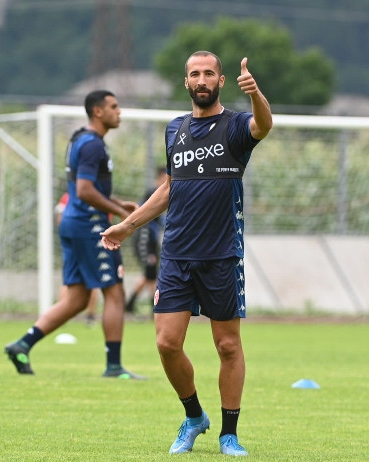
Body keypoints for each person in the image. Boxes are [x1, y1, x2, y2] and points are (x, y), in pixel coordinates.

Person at [101, 51, 272, 456]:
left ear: (221, 81)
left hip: (221, 254)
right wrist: (128, 225)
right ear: (186, 82)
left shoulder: (235, 126)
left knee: (227, 346)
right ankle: (194, 416)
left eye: (209, 73)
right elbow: (170, 187)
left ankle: (229, 434)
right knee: (166, 343)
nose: (201, 80)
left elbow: (263, 125)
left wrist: (256, 94)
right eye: (195, 74)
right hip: (177, 255)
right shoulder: (175, 129)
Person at [5, 90, 145, 379]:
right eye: (114, 107)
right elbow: (84, 191)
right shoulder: (92, 144)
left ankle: (22, 345)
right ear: (97, 111)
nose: (119, 112)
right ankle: (114, 366)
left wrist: (118, 204)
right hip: (90, 226)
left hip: (73, 223)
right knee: (115, 292)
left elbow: (86, 188)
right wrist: (120, 214)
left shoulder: (80, 139)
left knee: (78, 299)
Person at [125, 168, 168, 315]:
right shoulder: (154, 192)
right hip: (145, 239)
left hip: (151, 240)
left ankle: (131, 304)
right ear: (161, 176)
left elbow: (159, 219)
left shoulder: (158, 192)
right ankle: (150, 306)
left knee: (150, 274)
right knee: (150, 273)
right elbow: (144, 214)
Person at [55, 192, 99, 325]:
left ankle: (61, 316)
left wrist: (66, 234)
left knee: (69, 279)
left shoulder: (67, 196)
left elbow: (60, 218)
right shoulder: (96, 195)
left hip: (74, 240)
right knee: (93, 279)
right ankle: (89, 316)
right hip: (89, 242)